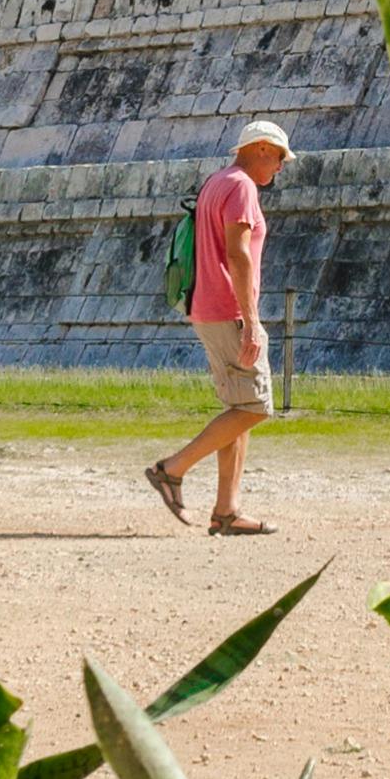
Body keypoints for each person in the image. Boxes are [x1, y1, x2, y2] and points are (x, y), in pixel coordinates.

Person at [147, 119, 286, 536]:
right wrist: (252, 322)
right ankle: (171, 469)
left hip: (206, 305)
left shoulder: (216, 182)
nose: (280, 168)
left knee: (238, 408)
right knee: (256, 407)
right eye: (279, 158)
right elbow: (239, 254)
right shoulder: (241, 186)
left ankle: (226, 511)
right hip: (228, 310)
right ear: (260, 148)